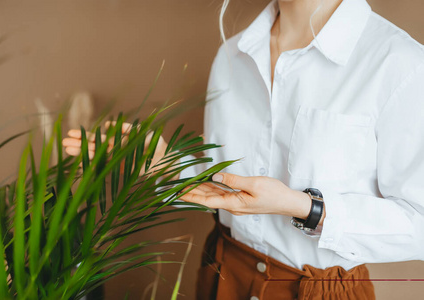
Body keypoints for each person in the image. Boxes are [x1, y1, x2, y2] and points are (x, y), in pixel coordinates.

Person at [63, 0, 424, 298]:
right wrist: (164, 164)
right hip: (223, 273)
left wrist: (304, 207)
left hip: (316, 289)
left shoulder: (399, 64)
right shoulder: (232, 55)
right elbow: (226, 187)